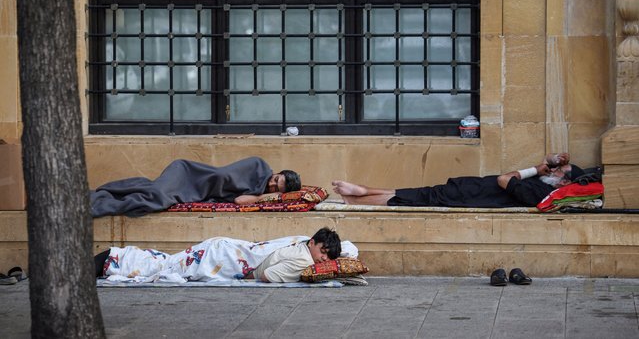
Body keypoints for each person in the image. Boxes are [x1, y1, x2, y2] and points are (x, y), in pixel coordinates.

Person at [94, 227, 343, 283]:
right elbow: (266, 276)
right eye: (322, 252)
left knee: (167, 262)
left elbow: (350, 249)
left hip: (224, 249)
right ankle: (111, 258)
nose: (323, 260)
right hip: (223, 258)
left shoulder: (300, 242)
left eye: (328, 258)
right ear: (313, 242)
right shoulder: (303, 258)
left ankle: (112, 258)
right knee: (164, 268)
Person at [332, 153, 585, 208]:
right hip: (470, 188)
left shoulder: (542, 195)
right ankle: (360, 193)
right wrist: (551, 163)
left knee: (412, 199)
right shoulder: (544, 186)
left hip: (469, 196)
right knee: (419, 193)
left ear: (565, 183)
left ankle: (359, 198)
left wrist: (534, 169)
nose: (554, 171)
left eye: (561, 171)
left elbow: (504, 179)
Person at [90, 156, 301, 217]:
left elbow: (238, 201)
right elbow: (223, 176)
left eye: (276, 189)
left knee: (155, 197)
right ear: (277, 172)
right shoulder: (258, 165)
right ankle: (98, 200)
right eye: (276, 179)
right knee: (155, 195)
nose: (272, 184)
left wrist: (265, 197)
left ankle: (102, 201)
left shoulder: (258, 193)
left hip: (195, 192)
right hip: (188, 174)